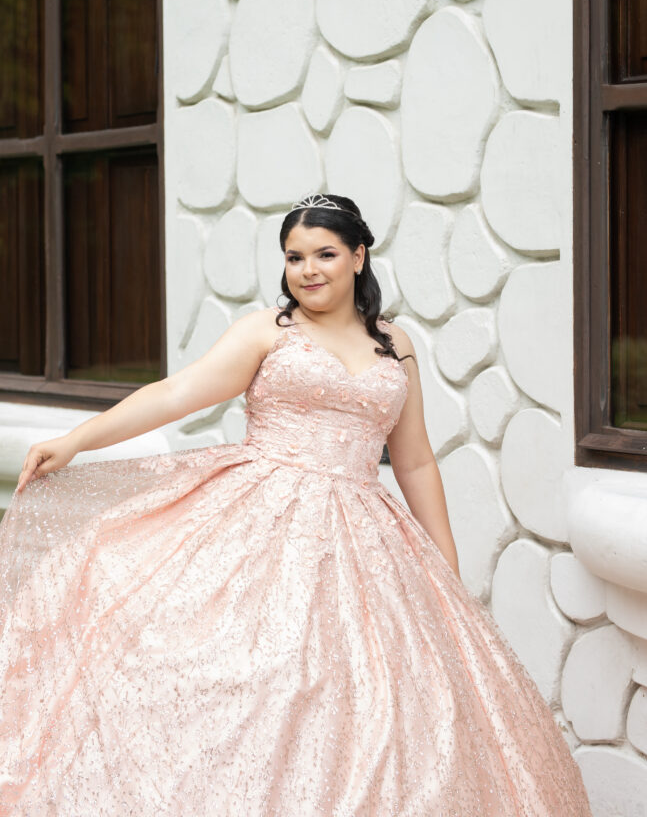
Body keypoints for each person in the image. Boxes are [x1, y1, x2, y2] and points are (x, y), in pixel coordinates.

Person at [0, 193, 592, 816]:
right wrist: (78, 439)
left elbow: (415, 460)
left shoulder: (396, 344)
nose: (308, 270)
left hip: (364, 537)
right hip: (259, 518)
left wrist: (446, 570)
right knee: (257, 675)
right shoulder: (268, 331)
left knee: (363, 695)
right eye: (294, 257)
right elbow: (178, 393)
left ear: (358, 257)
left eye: (324, 254)